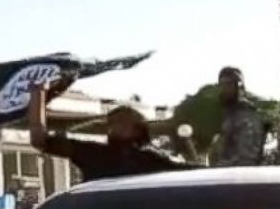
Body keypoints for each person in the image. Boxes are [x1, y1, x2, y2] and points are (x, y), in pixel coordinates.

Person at [27, 77, 196, 182]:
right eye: (111, 122)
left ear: (138, 130)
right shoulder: (92, 153)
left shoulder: (151, 159)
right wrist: (38, 93)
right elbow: (39, 140)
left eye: (121, 122)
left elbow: (191, 172)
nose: (113, 126)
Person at [211, 67, 268, 167]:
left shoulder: (248, 115)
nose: (224, 89)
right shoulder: (230, 113)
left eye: (228, 84)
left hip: (240, 176)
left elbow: (247, 158)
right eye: (222, 85)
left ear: (239, 87)